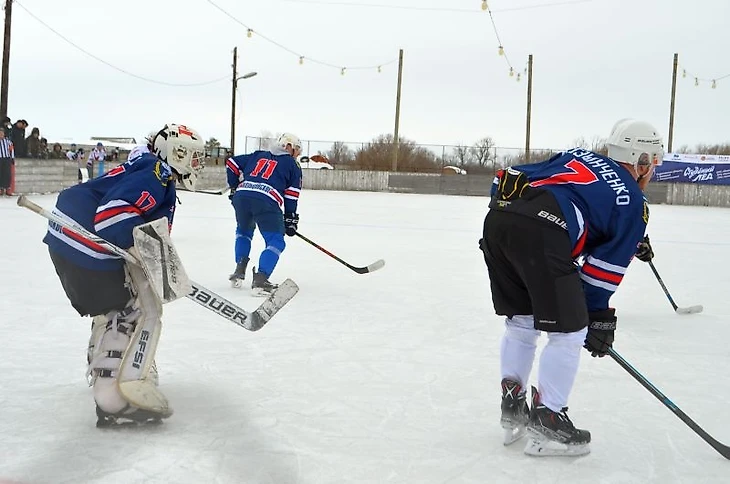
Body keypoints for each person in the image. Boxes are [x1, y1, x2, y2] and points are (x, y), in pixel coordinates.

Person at [479, 118, 662, 456]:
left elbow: (509, 176)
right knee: (569, 332)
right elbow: (601, 274)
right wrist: (593, 316)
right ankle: (548, 419)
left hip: (498, 221)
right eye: (654, 162)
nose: (653, 170)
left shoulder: (578, 155)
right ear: (642, 161)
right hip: (544, 232)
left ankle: (512, 405)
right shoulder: (634, 202)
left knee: (521, 321)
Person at [43, 124, 205, 427]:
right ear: (175, 152)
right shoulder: (157, 172)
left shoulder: (147, 167)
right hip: (86, 243)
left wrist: (153, 255)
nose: (198, 163)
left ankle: (108, 366)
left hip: (67, 239)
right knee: (138, 310)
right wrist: (147, 256)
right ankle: (114, 395)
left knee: (114, 307)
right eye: (193, 156)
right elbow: (113, 215)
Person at [225, 133, 303, 295]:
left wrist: (234, 186)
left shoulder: (258, 155)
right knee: (276, 241)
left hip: (242, 196)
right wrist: (290, 218)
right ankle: (261, 279)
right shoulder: (292, 165)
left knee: (244, 232)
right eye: (296, 150)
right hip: (266, 200)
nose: (297, 155)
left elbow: (231, 163)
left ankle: (239, 270)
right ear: (289, 147)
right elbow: (292, 194)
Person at [0, 129, 14, 196]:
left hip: (7, 159)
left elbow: (12, 150)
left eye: (2, 133)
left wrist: (12, 158)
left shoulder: (8, 141)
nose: (1, 135)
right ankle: (1, 188)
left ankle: (8, 188)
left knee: (7, 174)